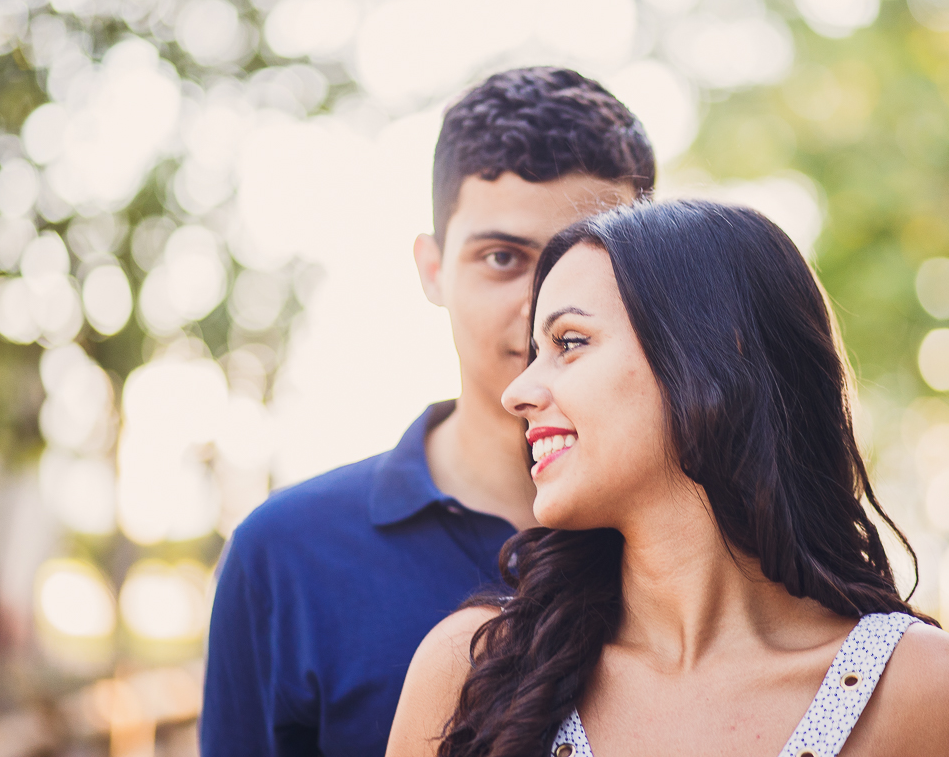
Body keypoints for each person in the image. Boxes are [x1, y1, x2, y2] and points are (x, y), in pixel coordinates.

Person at [386, 200, 949, 757]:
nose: (518, 393)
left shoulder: (923, 692)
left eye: (570, 342)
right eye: (533, 354)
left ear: (715, 357)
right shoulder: (473, 671)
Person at [199, 67, 656, 757]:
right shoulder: (286, 554)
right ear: (433, 268)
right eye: (502, 258)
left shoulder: (703, 540)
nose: (542, 304)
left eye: (586, 260)